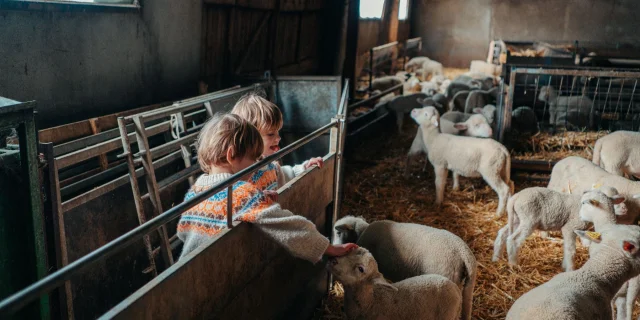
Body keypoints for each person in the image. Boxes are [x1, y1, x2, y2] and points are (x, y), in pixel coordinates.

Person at [177, 113, 356, 262]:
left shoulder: (196, 189)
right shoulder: (241, 194)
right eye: (253, 159)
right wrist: (327, 248)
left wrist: (257, 199)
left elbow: (182, 233)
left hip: (185, 272)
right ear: (231, 155)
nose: (257, 165)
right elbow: (288, 225)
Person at [230, 93, 324, 196]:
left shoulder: (270, 164)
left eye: (278, 132)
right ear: (248, 137)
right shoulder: (239, 171)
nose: (278, 138)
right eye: (271, 134)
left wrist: (304, 168)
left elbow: (283, 175)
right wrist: (257, 197)